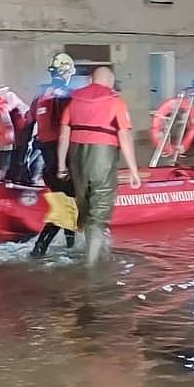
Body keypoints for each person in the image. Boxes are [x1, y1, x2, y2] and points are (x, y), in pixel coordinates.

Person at [56, 66, 141, 266]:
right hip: (102, 157)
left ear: (90, 81)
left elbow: (63, 135)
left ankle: (84, 249)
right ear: (110, 82)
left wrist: (61, 166)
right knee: (99, 212)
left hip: (77, 158)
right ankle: (91, 267)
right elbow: (124, 136)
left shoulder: (73, 102)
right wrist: (133, 170)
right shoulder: (115, 102)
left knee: (83, 207)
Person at [29, 53, 78, 258]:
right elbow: (66, 128)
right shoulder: (65, 96)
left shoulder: (40, 96)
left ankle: (70, 246)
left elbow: (30, 129)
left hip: (48, 160)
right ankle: (39, 250)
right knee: (66, 208)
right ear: (67, 72)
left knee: (66, 204)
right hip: (62, 159)